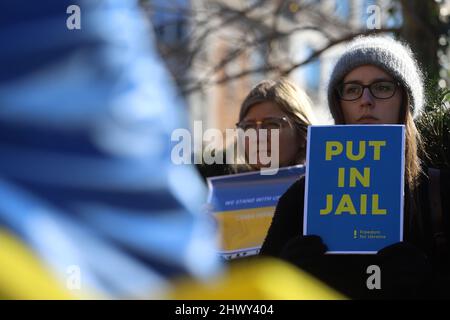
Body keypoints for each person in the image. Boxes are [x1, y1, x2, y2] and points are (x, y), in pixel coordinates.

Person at [260, 35, 450, 299]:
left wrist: (430, 284)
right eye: (352, 89)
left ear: (405, 102)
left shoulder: (440, 193)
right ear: (339, 105)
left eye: (382, 87)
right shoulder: (301, 198)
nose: (366, 100)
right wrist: (284, 276)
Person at [197, 78, 316, 178]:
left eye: (271, 125)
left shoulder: (322, 193)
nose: (258, 136)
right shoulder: (226, 195)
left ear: (303, 134)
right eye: (249, 127)